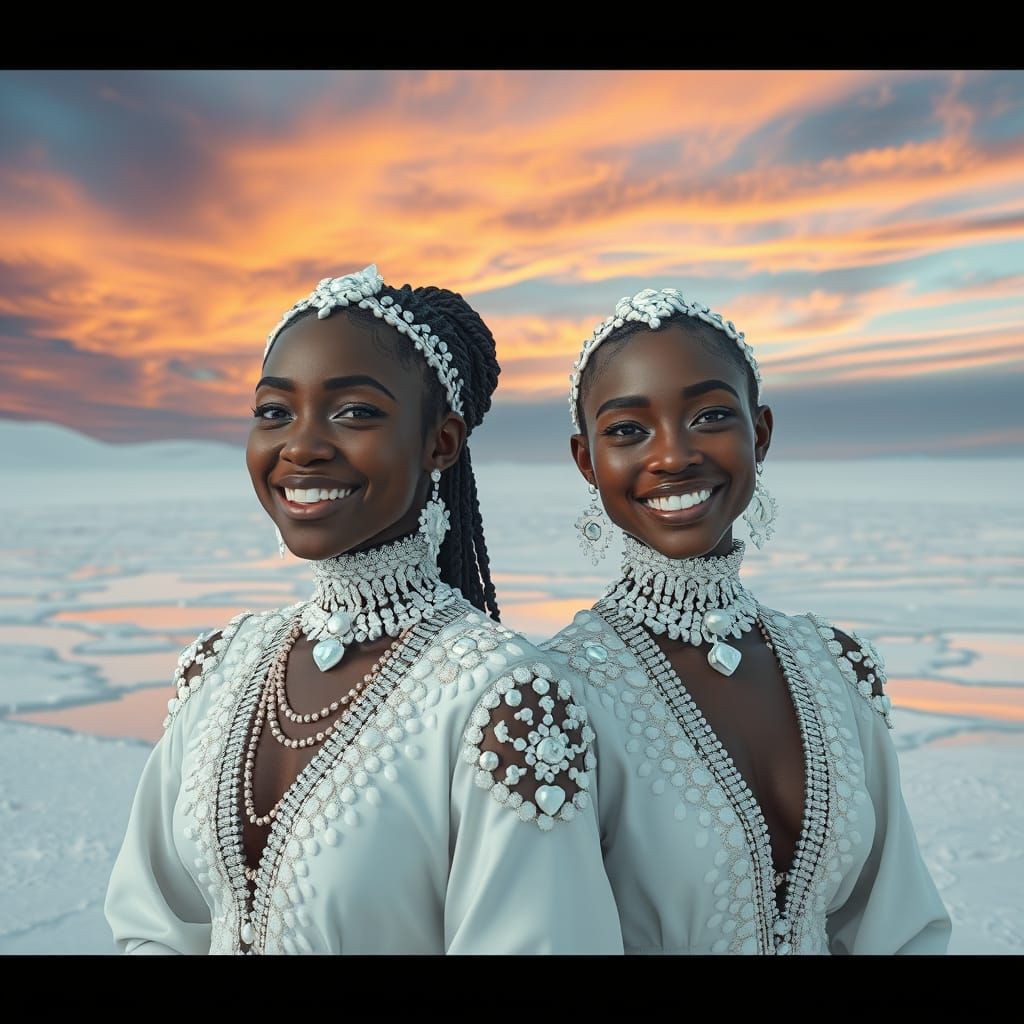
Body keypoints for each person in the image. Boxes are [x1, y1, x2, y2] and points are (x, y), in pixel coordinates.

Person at [103, 264, 622, 955]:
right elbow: (152, 922)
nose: (302, 446)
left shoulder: (503, 699)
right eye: (274, 411)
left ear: (442, 441)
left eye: (354, 413)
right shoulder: (220, 665)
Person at [541, 286, 952, 955]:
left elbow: (897, 923)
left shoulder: (837, 665)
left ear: (759, 433)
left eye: (709, 416)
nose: (673, 455)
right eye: (626, 430)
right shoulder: (554, 697)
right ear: (587, 460)